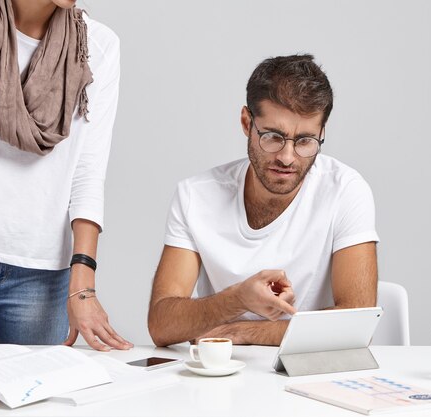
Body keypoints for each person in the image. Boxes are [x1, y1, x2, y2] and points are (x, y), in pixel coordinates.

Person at [148, 54, 379, 347]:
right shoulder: (196, 195)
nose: (286, 157)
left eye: (305, 141)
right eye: (272, 136)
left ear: (322, 133)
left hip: (308, 372)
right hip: (222, 378)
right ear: (247, 123)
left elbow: (356, 324)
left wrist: (243, 332)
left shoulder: (345, 190)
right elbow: (161, 325)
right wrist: (238, 299)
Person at [0, 0, 132, 351]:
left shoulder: (98, 46)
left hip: (44, 276)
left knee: (38, 404)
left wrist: (83, 283)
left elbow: (88, 172)